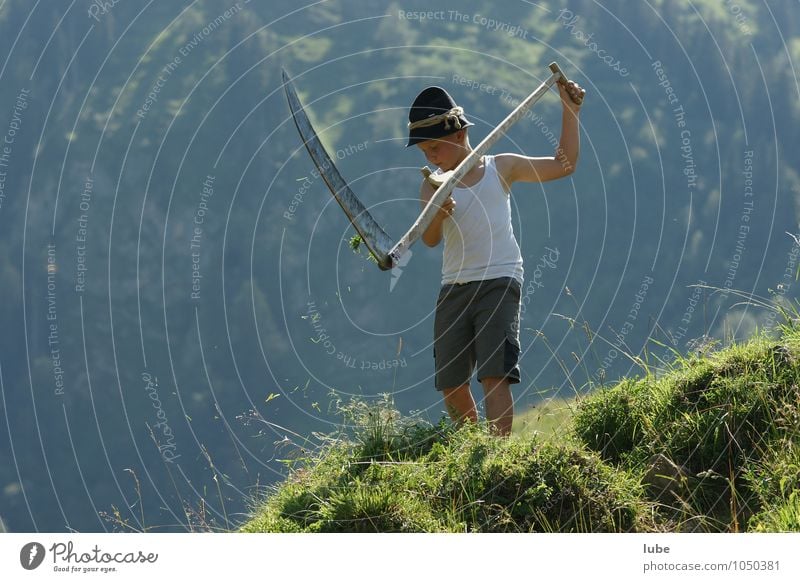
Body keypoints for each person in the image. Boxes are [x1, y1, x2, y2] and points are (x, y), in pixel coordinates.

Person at [407, 75, 585, 436]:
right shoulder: (432, 184)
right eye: (426, 153)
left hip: (499, 281)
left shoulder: (500, 167)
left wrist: (570, 110)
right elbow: (428, 239)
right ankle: (473, 448)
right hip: (454, 286)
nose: (432, 158)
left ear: (458, 135)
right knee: (451, 384)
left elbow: (563, 164)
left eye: (435, 149)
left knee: (494, 373)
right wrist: (438, 213)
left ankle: (496, 455)